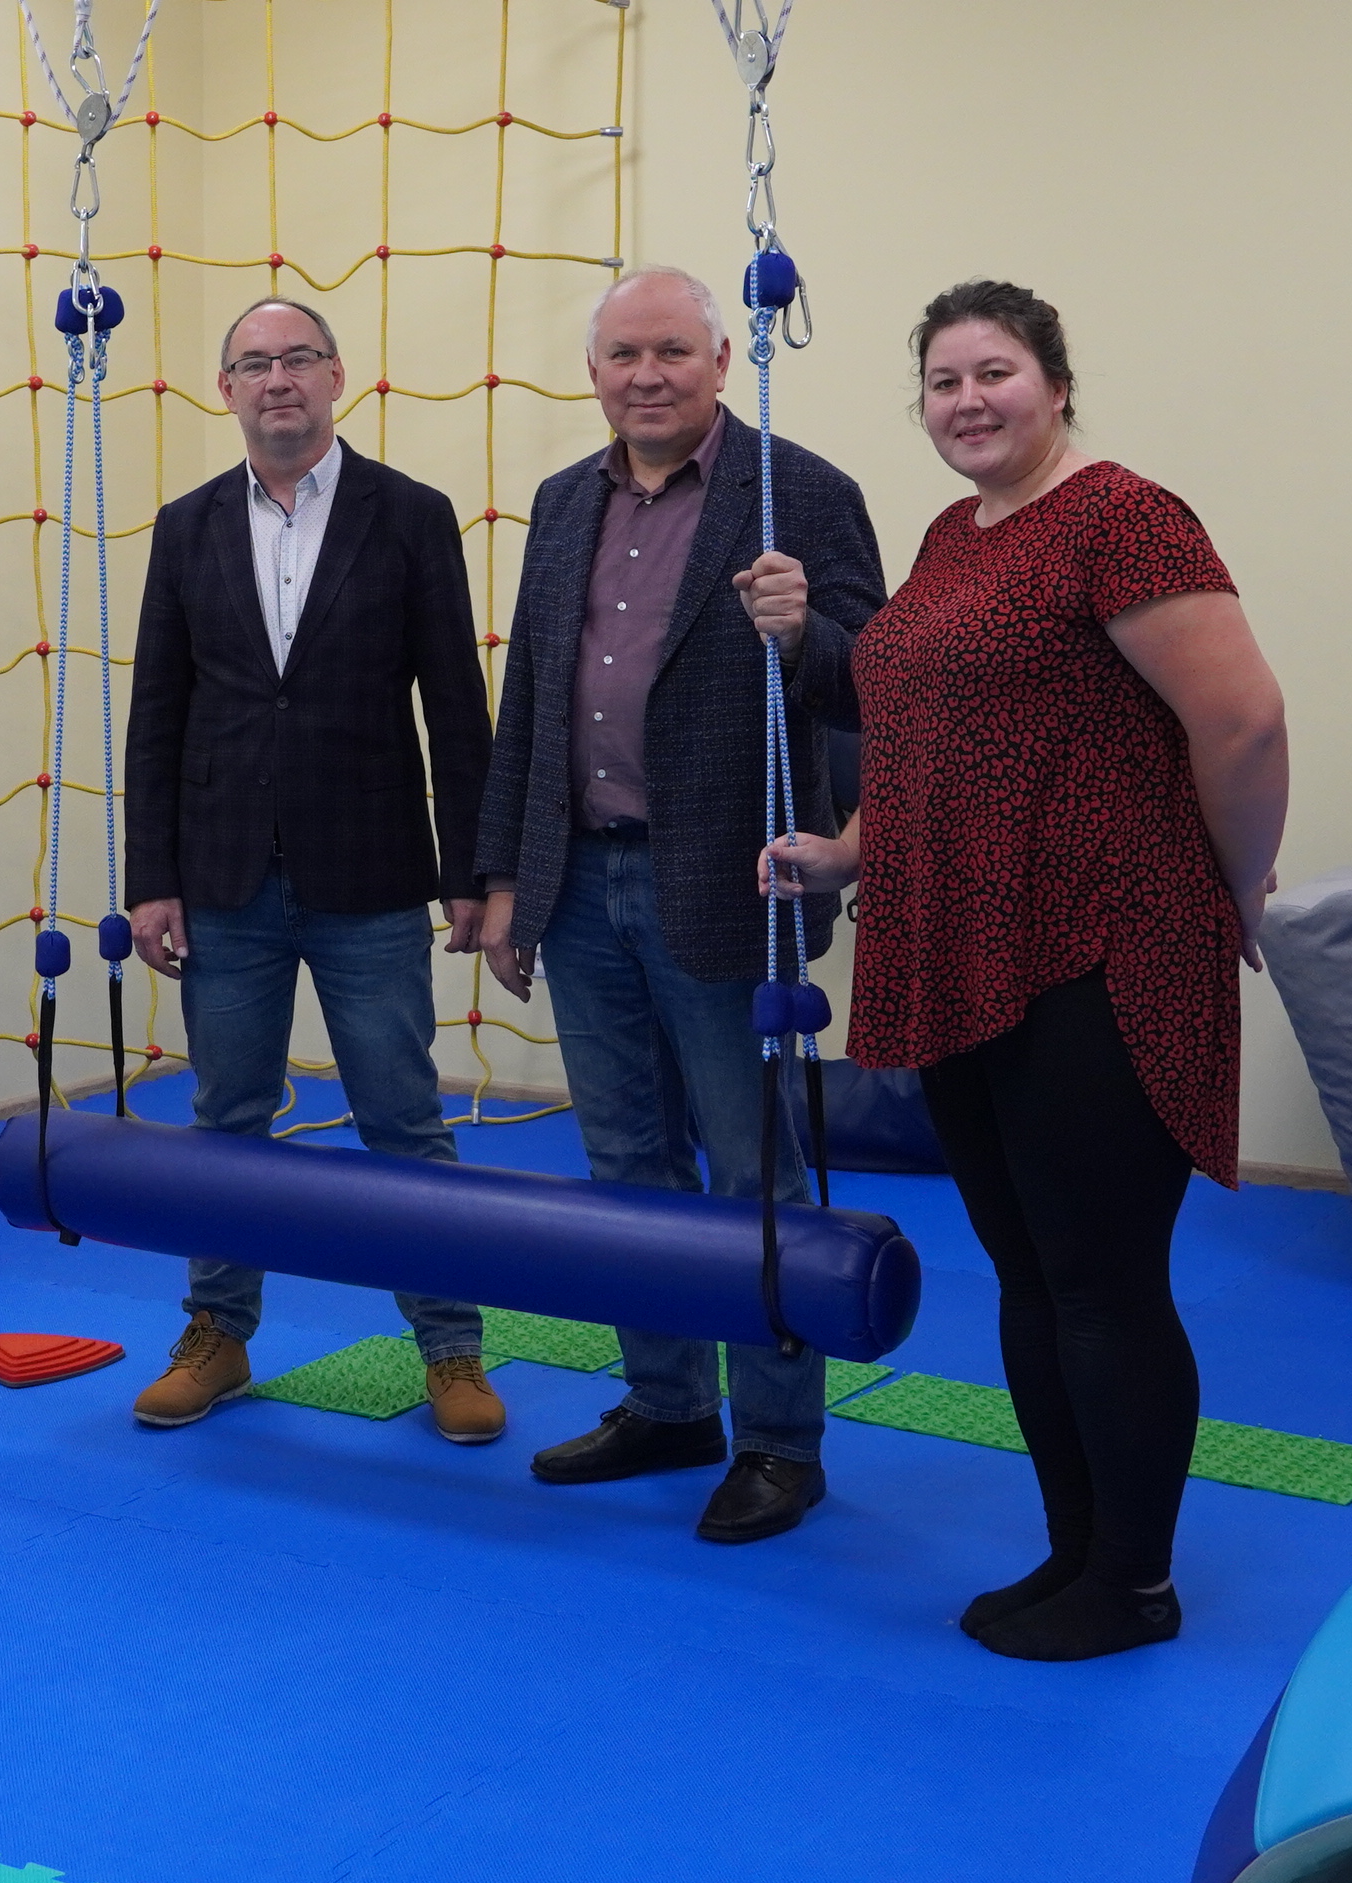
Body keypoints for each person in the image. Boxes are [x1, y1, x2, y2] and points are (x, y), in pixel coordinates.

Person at [760, 281, 1287, 1660]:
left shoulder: (1123, 517)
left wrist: (1238, 885)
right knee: (1030, 1275)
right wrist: (845, 852)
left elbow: (1242, 721)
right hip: (960, 942)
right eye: (942, 382)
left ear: (1056, 384)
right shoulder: (951, 538)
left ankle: (1136, 1585)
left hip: (1101, 944)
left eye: (993, 372)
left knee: (1102, 1277)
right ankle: (1077, 1552)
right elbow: (931, 743)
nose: (967, 401)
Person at [478, 266, 884, 1542]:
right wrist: (506, 879)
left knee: (752, 1171)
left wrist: (802, 632)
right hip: (579, 879)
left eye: (669, 351)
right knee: (623, 1164)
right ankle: (668, 1405)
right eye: (622, 355)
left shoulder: (800, 490)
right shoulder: (562, 501)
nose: (645, 375)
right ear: (592, 372)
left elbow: (874, 682)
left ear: (718, 359)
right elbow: (530, 701)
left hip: (726, 880)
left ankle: (778, 1441)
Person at [121, 298, 507, 1440]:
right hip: (223, 877)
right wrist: (150, 877)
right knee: (225, 1118)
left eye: (298, 358)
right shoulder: (184, 526)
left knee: (403, 1117)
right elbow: (156, 714)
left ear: (338, 375)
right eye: (254, 362)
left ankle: (450, 1346)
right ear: (225, 389)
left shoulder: (412, 516)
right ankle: (217, 1333)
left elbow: (456, 704)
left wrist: (473, 868)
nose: (277, 378)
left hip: (370, 873)